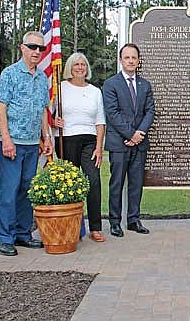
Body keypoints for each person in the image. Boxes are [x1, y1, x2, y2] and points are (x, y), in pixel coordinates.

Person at [0, 31, 53, 256]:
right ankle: (5, 237)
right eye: (32, 47)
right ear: (22, 48)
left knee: (27, 190)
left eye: (41, 49)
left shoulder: (41, 78)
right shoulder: (10, 74)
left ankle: (22, 233)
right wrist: (6, 139)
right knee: (9, 190)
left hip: (32, 144)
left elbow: (42, 111)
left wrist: (46, 138)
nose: (37, 52)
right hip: (13, 143)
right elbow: (1, 107)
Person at [103, 43, 155, 237]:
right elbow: (113, 113)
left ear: (138, 61)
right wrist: (130, 134)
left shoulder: (145, 85)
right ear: (121, 60)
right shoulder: (111, 84)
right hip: (119, 143)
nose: (131, 61)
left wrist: (139, 134)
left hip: (139, 144)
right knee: (116, 183)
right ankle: (115, 222)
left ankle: (134, 220)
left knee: (136, 183)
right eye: (127, 57)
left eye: (134, 58)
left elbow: (149, 111)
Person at [54, 52, 106, 242]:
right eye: (76, 64)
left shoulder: (95, 91)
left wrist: (99, 147)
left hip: (90, 141)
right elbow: (48, 115)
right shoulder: (60, 89)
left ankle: (95, 227)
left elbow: (100, 121)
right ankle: (72, 225)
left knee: (93, 181)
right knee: (70, 184)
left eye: (83, 64)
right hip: (66, 140)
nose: (80, 67)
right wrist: (54, 121)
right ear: (70, 67)